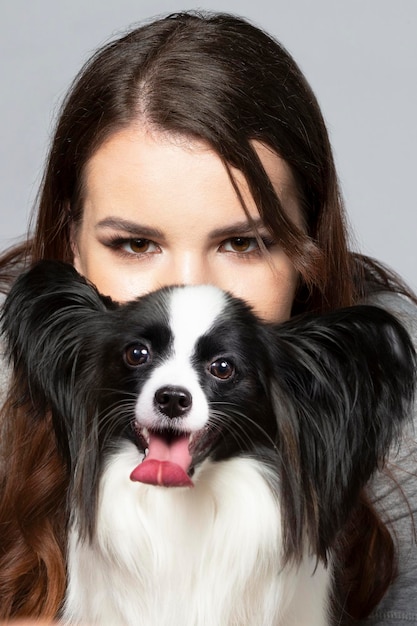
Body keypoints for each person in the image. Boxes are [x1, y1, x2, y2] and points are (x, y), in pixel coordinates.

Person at [0, 10, 415, 625]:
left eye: (244, 244)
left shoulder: (402, 441)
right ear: (70, 244)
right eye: (135, 244)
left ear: (308, 257)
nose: (188, 290)